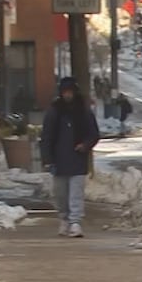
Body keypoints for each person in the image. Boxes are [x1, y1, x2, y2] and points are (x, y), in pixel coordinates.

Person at [41, 77, 100, 238]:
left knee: (76, 192)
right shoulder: (54, 111)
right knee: (60, 193)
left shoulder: (83, 111)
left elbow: (94, 134)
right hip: (59, 160)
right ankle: (64, 218)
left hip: (77, 159)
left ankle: (75, 221)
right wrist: (47, 158)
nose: (67, 95)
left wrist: (85, 145)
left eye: (70, 92)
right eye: (65, 92)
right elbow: (46, 136)